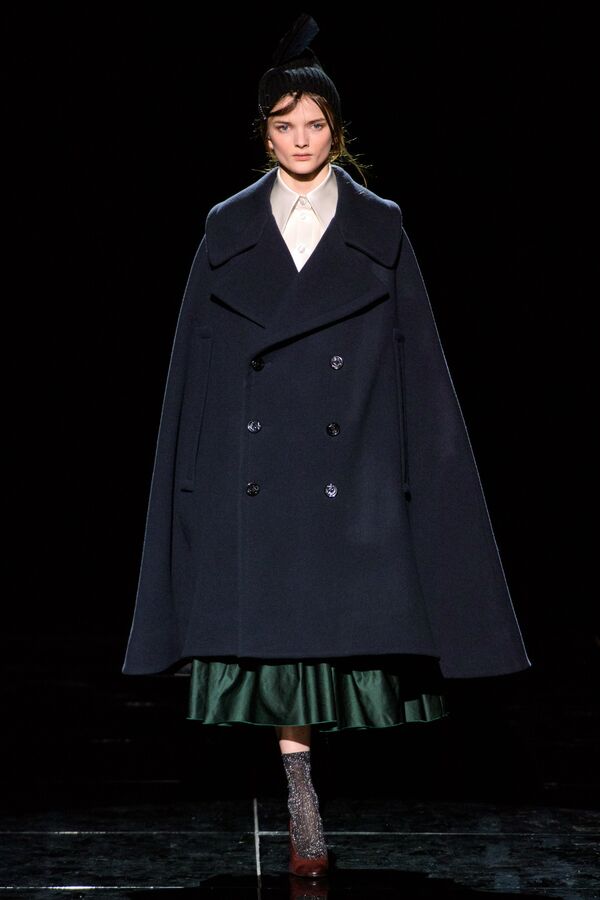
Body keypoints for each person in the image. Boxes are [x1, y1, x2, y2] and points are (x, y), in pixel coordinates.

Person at [121, 14, 531, 879]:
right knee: (280, 649)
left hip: (354, 474)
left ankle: (305, 792)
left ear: (338, 133)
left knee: (326, 645)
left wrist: (421, 479)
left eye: (316, 124)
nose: (302, 140)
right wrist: (191, 487)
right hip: (259, 477)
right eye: (286, 125)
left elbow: (422, 366)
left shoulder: (380, 231)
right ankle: (302, 801)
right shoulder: (227, 231)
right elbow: (192, 366)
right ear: (264, 133)